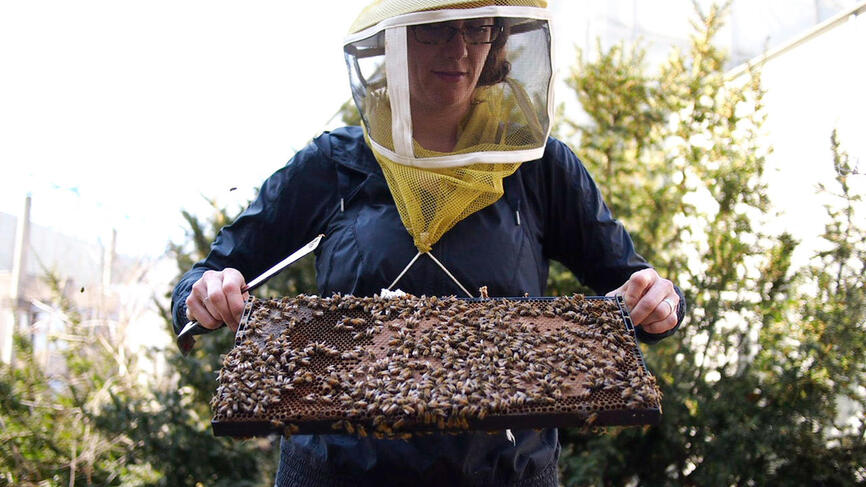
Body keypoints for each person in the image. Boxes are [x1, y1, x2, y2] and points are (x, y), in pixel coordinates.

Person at [171, 1, 685, 485]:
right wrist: (209, 291)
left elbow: (636, 287)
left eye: (476, 27)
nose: (458, 49)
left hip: (507, 473)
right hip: (338, 473)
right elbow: (206, 278)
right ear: (395, 39)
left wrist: (657, 303)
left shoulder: (541, 167)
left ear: (498, 38)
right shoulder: (334, 164)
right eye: (435, 27)